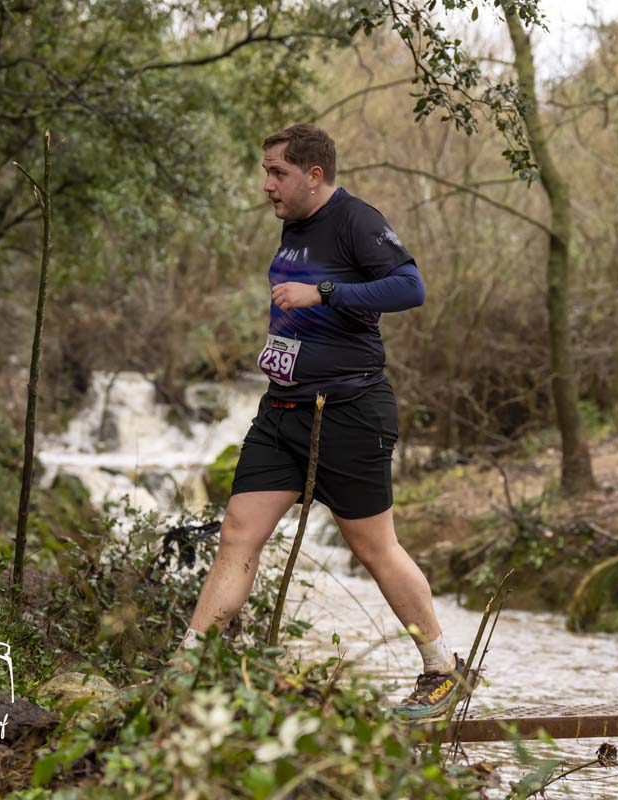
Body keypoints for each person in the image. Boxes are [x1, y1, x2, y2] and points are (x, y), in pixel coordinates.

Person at [177, 123, 468, 721]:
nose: (267, 184)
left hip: (350, 412)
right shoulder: (294, 223)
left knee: (374, 547)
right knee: (238, 534)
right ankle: (184, 672)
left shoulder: (357, 220)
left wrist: (325, 292)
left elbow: (410, 288)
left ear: (314, 175)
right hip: (282, 410)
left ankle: (442, 669)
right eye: (266, 172)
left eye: (277, 172)